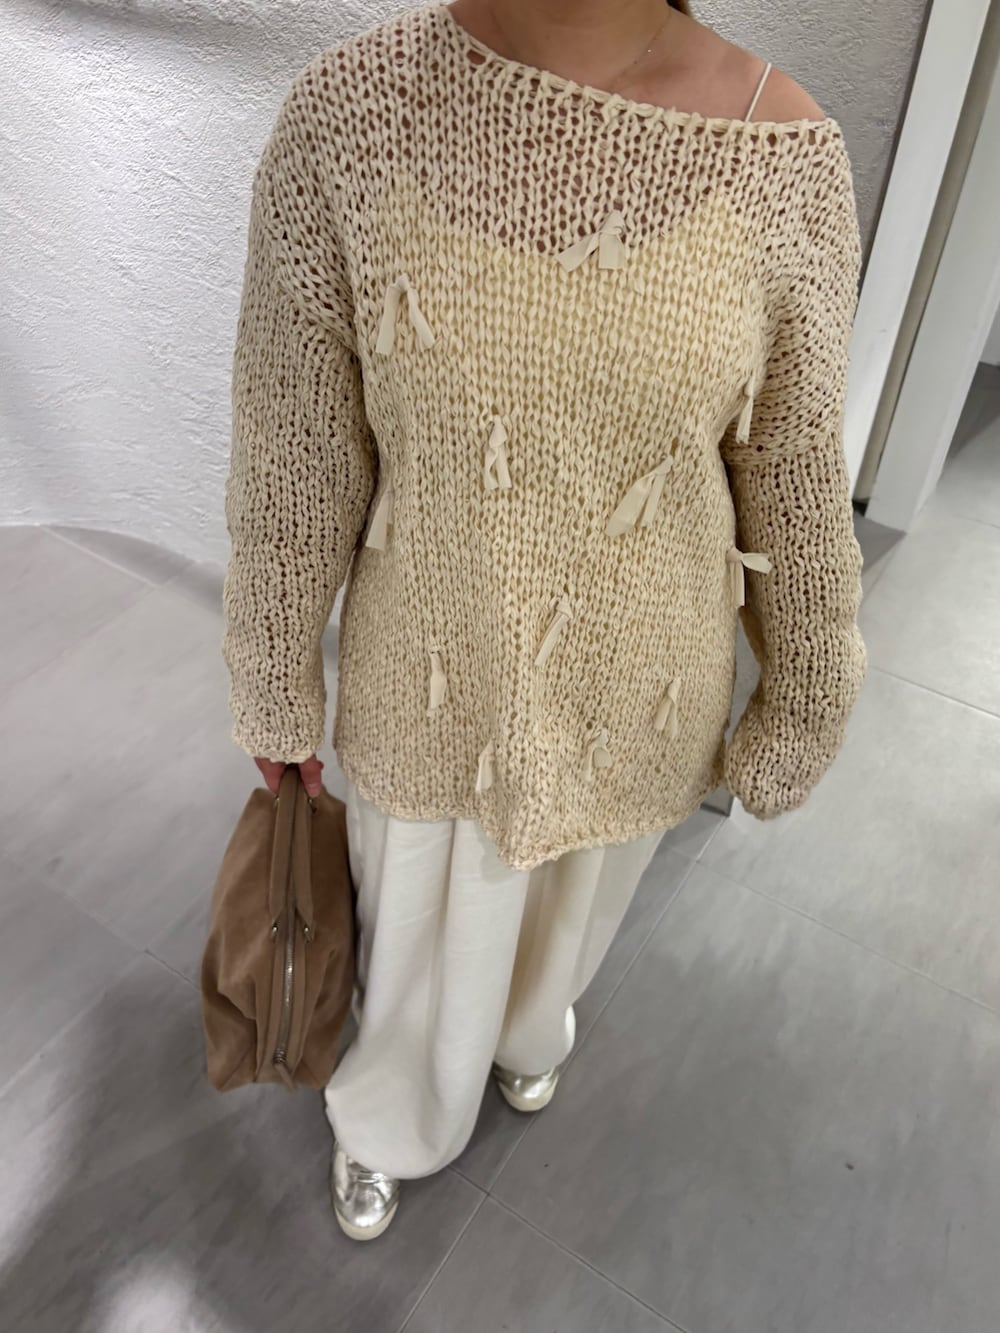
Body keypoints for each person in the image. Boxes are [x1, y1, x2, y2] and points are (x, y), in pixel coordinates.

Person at [221, 0, 866, 1241]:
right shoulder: (347, 118)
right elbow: (295, 446)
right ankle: (391, 1119)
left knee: (573, 914)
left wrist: (808, 685)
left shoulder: (782, 155)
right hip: (434, 670)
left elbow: (789, 463)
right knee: (414, 939)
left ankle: (529, 1026)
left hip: (642, 683)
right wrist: (273, 666)